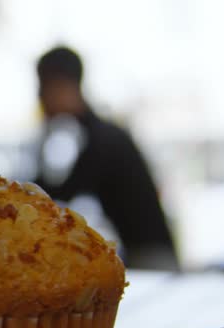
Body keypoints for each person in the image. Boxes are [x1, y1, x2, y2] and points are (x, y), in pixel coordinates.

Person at [34, 46, 178, 269]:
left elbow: (59, 192)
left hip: (150, 257)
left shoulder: (102, 139)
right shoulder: (101, 133)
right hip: (147, 252)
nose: (40, 99)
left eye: (43, 88)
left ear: (63, 85)